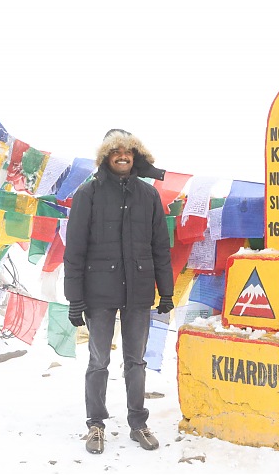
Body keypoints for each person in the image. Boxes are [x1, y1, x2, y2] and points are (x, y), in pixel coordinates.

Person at [63, 128, 175, 454]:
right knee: (98, 361)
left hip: (138, 292)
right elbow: (75, 252)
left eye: (127, 151)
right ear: (106, 157)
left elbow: (160, 248)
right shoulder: (89, 194)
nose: (122, 156)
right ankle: (95, 424)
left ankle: (138, 423)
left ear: (135, 156)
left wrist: (165, 291)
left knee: (136, 361)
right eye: (116, 152)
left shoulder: (149, 195)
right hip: (98, 293)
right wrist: (75, 299)